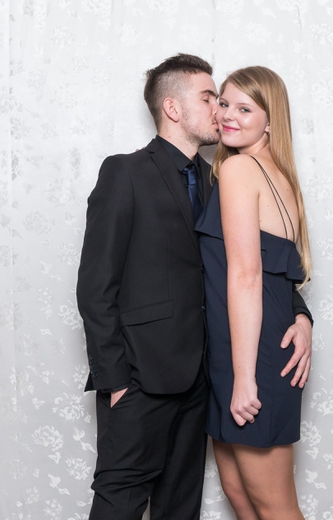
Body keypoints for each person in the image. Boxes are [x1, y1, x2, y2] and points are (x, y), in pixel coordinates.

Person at [75, 54, 313, 520]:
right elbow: (95, 287)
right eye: (211, 99)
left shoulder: (219, 176)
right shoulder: (125, 172)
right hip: (142, 378)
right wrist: (115, 381)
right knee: (120, 504)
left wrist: (301, 314)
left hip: (204, 378)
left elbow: (255, 263)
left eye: (230, 103)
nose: (220, 111)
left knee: (181, 508)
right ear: (173, 108)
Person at [195, 66, 312, 520]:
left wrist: (245, 378)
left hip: (252, 355)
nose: (228, 115)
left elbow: (246, 276)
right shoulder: (277, 174)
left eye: (245, 109)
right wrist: (303, 318)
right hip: (242, 347)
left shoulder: (240, 168)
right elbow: (280, 276)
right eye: (224, 103)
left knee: (274, 506)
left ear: (269, 121)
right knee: (241, 496)